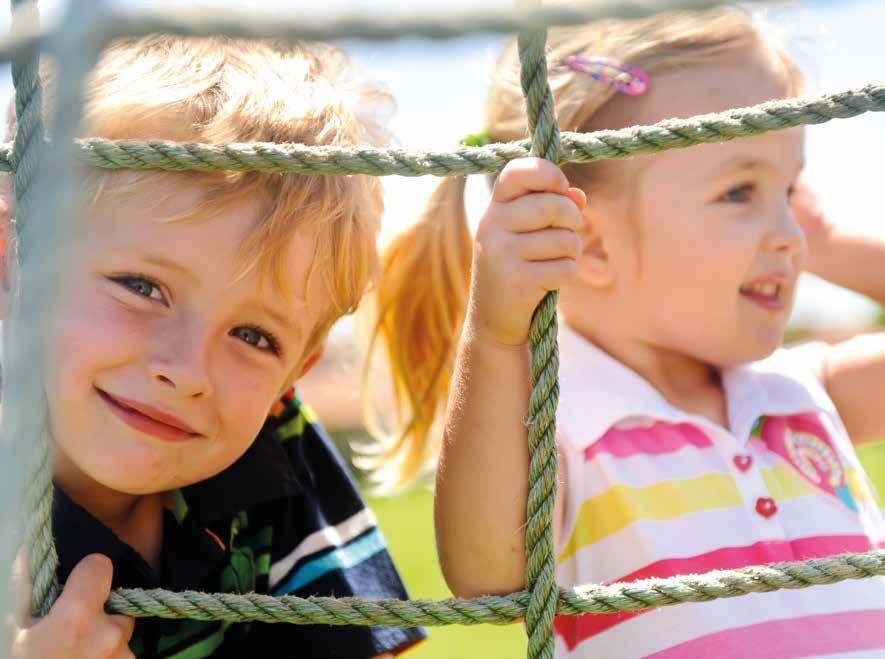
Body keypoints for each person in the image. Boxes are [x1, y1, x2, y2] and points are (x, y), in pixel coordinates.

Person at [370, 8, 885, 657]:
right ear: (587, 240)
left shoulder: (802, 393)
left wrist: (833, 244)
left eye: (789, 186)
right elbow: (485, 570)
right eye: (738, 191)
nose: (788, 229)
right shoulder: (562, 428)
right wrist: (498, 336)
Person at [5, 36, 425, 658]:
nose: (188, 371)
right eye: (142, 287)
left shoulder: (270, 455)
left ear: (292, 374)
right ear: (13, 263)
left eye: (254, 337)